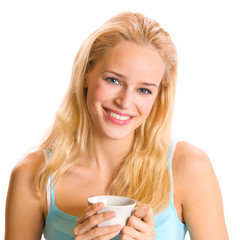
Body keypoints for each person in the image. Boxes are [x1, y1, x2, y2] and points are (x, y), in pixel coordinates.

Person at [5, 12, 229, 240]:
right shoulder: (33, 175)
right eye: (113, 80)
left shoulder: (188, 167)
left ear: (158, 96)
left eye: (144, 90)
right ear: (85, 74)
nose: (125, 102)